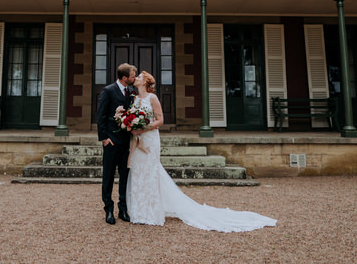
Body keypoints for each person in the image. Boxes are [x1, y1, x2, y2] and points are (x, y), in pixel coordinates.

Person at [126, 71, 277, 232]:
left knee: (150, 172)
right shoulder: (134, 99)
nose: (136, 78)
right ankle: (138, 212)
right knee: (138, 172)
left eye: (139, 77)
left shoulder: (152, 98)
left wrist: (143, 128)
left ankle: (151, 213)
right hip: (137, 141)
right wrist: (131, 126)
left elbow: (160, 120)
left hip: (149, 139)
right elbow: (132, 118)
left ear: (145, 82)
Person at [96, 62, 137, 225]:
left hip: (126, 141)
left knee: (125, 176)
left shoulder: (132, 92)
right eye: (133, 75)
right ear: (125, 77)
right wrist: (104, 138)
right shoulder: (108, 91)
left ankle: (123, 209)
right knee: (108, 177)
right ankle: (108, 209)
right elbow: (101, 116)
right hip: (111, 141)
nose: (135, 77)